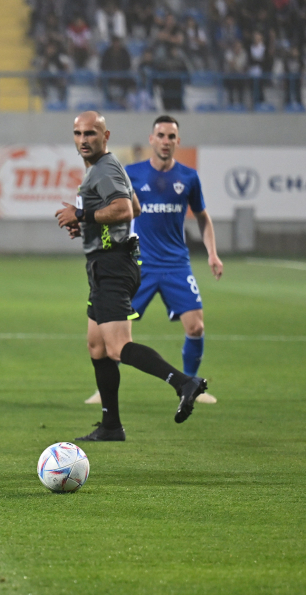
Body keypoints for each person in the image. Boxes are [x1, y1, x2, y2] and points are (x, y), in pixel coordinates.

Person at [55, 111, 208, 442]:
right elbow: (136, 206)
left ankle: (184, 382)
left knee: (117, 346)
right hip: (104, 264)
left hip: (112, 265)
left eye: (91, 134)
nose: (83, 139)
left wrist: (81, 213)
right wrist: (86, 223)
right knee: (96, 346)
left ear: (105, 136)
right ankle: (111, 426)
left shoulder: (105, 168)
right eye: (78, 133)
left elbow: (124, 209)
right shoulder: (104, 169)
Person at [83, 116, 222, 407]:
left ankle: (193, 384)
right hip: (139, 265)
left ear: (177, 142)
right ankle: (104, 390)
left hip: (176, 265)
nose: (166, 141)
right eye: (161, 135)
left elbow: (203, 218)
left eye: (171, 136)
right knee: (113, 335)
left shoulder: (188, 178)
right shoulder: (131, 173)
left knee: (196, 326)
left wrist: (212, 253)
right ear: (152, 139)